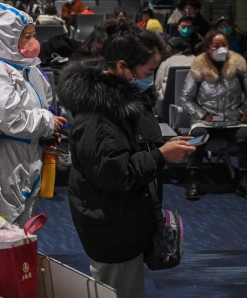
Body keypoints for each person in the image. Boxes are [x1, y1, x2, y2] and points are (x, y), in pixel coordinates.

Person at [57, 18, 195, 298]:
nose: (151, 78)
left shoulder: (128, 100)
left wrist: (164, 147)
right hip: (110, 224)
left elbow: (133, 146)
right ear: (123, 68)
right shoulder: (98, 116)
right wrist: (160, 155)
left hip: (126, 217)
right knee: (117, 289)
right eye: (149, 71)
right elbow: (116, 174)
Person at [0, 3, 67, 226]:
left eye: (33, 35)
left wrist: (47, 135)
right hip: (2, 159)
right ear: (6, 38)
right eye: (26, 37)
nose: (33, 42)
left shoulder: (31, 70)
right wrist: (48, 123)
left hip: (29, 156)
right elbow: (12, 120)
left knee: (23, 226)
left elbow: (45, 105)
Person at [181, 29, 247, 201]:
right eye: (216, 45)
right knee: (197, 137)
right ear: (208, 48)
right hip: (205, 121)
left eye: (224, 45)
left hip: (233, 120)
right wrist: (202, 115)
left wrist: (242, 112)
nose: (221, 49)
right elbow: (186, 98)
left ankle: (245, 181)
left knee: (246, 136)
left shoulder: (239, 66)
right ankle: (194, 178)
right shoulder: (198, 69)